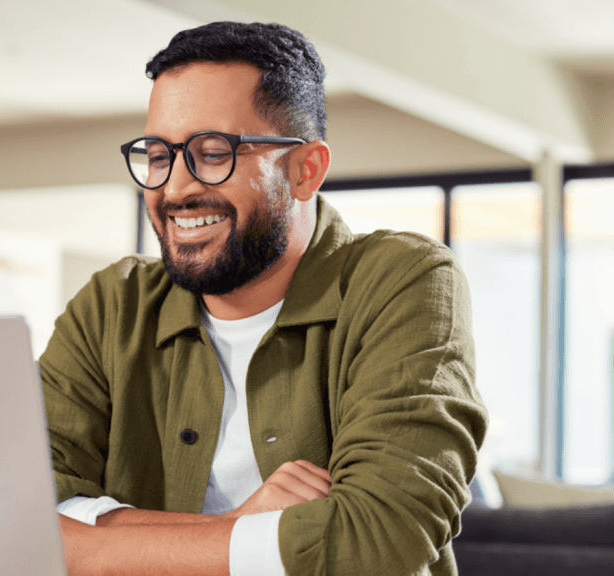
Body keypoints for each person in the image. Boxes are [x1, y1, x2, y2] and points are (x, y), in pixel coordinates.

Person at [40, 21, 488, 576]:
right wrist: (244, 530)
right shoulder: (112, 307)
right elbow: (16, 510)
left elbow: (383, 536)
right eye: (159, 156)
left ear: (306, 171)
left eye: (213, 152)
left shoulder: (404, 281)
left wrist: (94, 548)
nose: (175, 188)